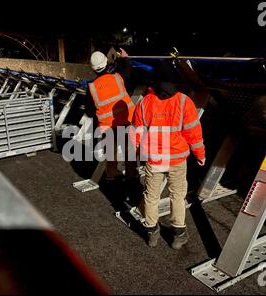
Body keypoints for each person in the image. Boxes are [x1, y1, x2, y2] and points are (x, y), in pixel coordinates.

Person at [131, 64, 206, 249]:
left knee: (151, 196)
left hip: (154, 158)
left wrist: (140, 152)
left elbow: (136, 133)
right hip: (177, 159)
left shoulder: (144, 102)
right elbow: (193, 133)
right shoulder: (183, 101)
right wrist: (200, 154)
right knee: (177, 195)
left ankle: (152, 233)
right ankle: (179, 236)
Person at [86, 49, 138, 183]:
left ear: (93, 69)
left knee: (111, 155)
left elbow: (89, 112)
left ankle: (110, 178)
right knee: (129, 152)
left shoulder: (91, 87)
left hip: (107, 128)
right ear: (107, 62)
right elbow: (129, 70)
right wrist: (124, 58)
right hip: (125, 122)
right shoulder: (118, 77)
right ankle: (131, 177)